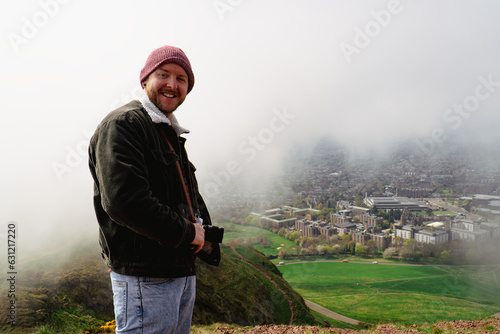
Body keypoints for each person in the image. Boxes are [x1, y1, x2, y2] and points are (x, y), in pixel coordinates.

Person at [88, 45, 217, 333]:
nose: (172, 85)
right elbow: (124, 201)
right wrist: (187, 233)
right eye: (164, 75)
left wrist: (204, 236)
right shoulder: (124, 125)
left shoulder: (165, 131)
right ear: (145, 80)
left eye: (181, 79)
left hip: (176, 268)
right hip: (145, 275)